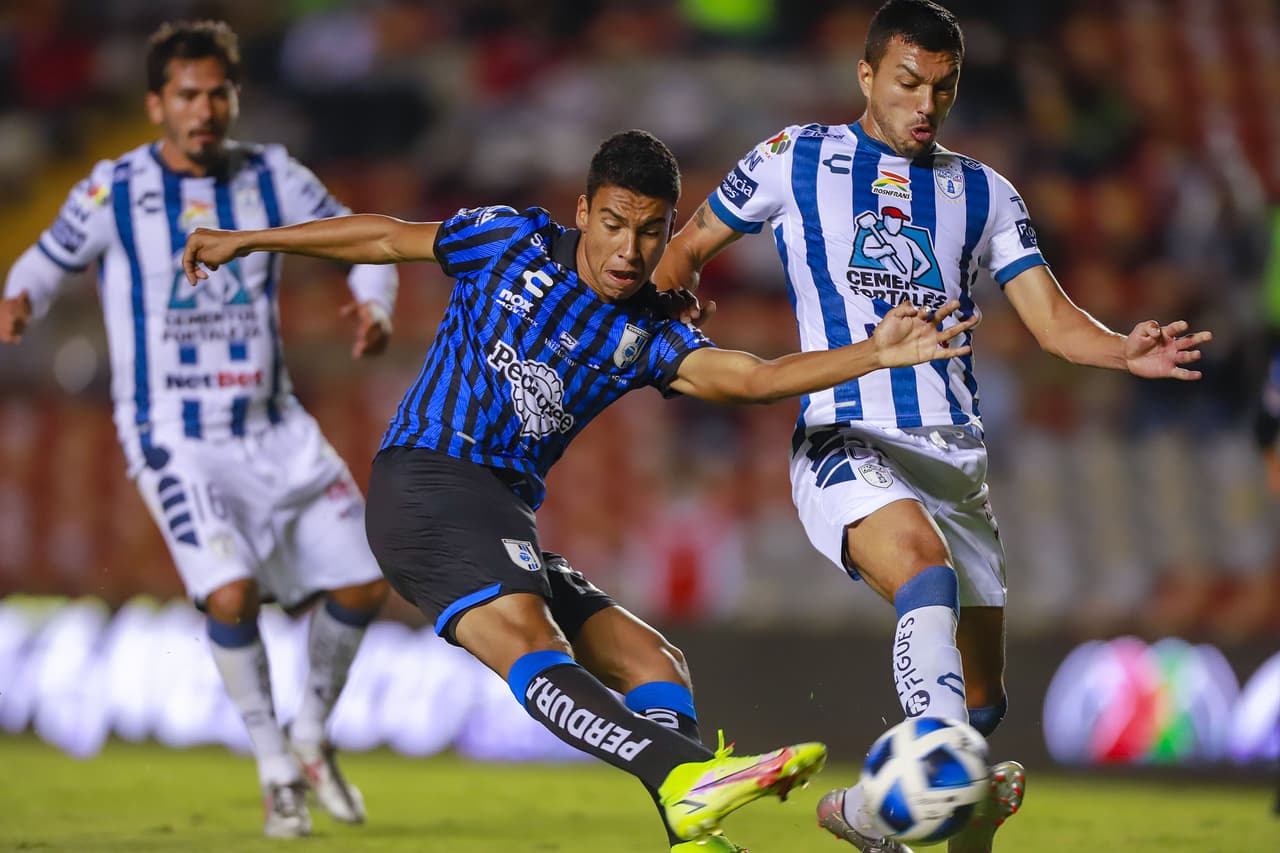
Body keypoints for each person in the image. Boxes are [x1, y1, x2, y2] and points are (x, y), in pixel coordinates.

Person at [182, 128, 979, 852]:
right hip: (425, 481)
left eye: (650, 231)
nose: (629, 249)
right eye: (613, 224)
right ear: (583, 210)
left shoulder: (649, 333)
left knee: (652, 660)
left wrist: (872, 352)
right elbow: (386, 237)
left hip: (502, 512)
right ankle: (682, 776)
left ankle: (686, 829)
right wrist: (249, 239)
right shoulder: (508, 238)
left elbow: (754, 378)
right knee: (533, 639)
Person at [651, 2, 1212, 851]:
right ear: (867, 75)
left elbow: (1054, 323)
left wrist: (1121, 351)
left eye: (943, 90)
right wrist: (674, 316)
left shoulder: (984, 192)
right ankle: (924, 762)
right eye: (908, 83)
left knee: (982, 707)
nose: (925, 105)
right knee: (924, 572)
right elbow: (684, 248)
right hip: (846, 440)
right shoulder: (794, 158)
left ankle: (882, 816)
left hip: (954, 457)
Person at [0, 21, 398, 838]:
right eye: (187, 93)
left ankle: (313, 734)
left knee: (364, 580)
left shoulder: (272, 177)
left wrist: (377, 303)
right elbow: (43, 260)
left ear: (235, 97)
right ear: (155, 104)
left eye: (219, 92)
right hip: (173, 435)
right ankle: (274, 767)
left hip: (276, 426)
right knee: (229, 591)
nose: (205, 108)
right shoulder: (114, 191)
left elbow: (368, 240)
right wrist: (19, 301)